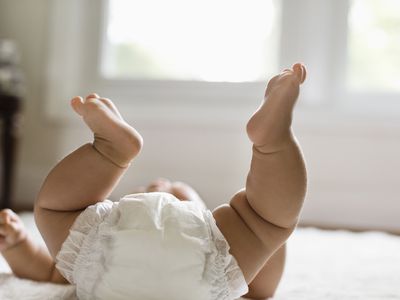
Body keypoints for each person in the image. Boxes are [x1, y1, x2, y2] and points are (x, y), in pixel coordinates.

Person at [0, 63, 307, 300]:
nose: (161, 189)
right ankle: (274, 145)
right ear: (208, 220)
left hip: (109, 261)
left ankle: (109, 153)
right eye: (152, 191)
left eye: (169, 190)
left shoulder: (98, 251)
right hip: (200, 277)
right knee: (269, 221)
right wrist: (264, 234)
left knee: (54, 209)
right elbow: (263, 288)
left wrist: (18, 247)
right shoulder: (221, 258)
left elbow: (47, 271)